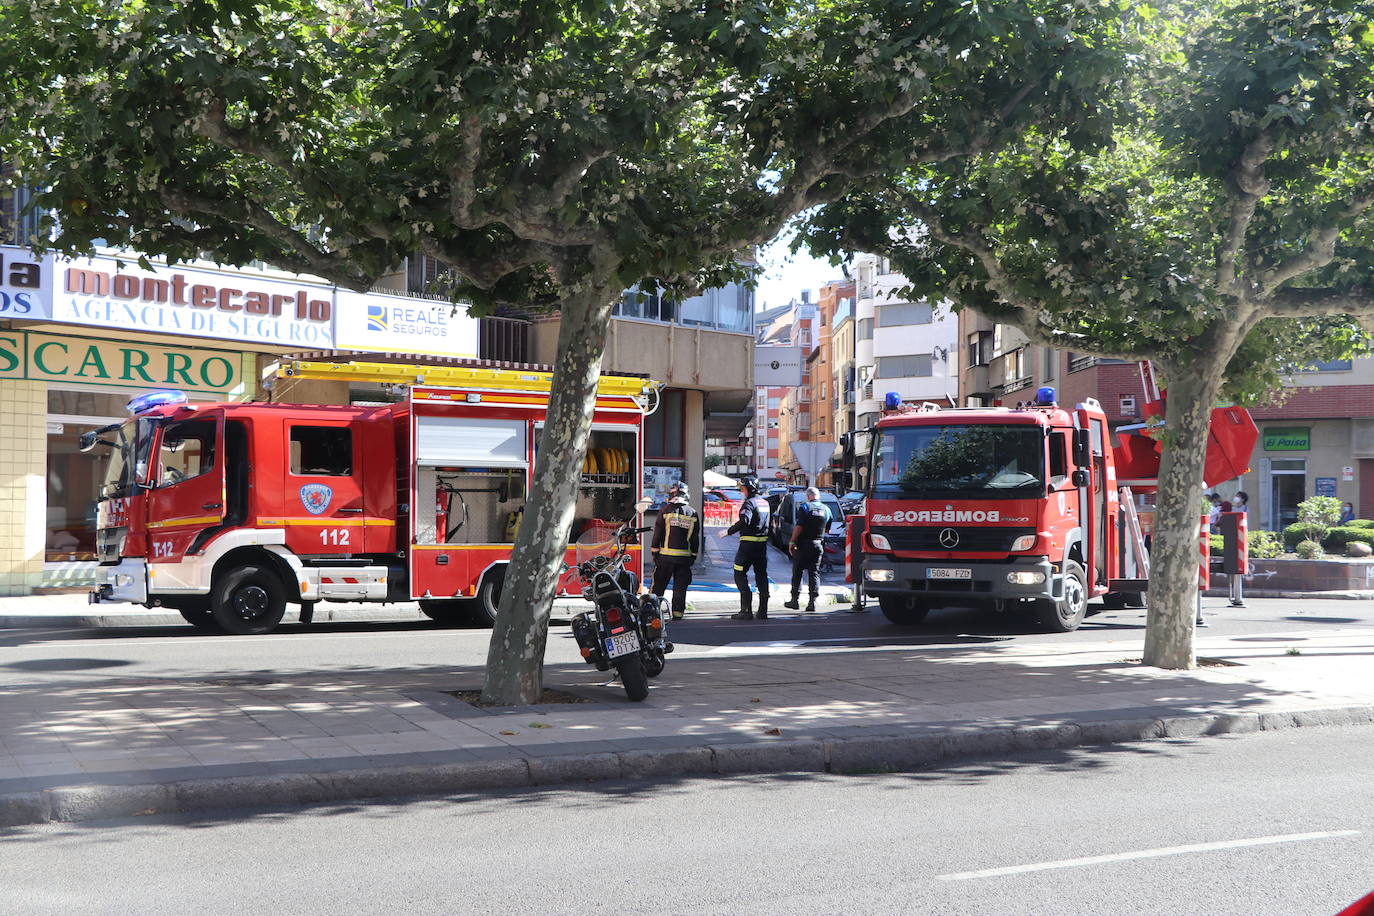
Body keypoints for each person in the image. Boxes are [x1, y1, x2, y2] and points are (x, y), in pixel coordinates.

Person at [650, 482, 700, 621]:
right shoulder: (693, 513)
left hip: (665, 558)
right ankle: (678, 614)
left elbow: (658, 533)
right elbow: (695, 539)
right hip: (684, 558)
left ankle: (653, 612)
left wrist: (654, 552)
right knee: (680, 587)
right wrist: (693, 556)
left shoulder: (665, 510)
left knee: (659, 586)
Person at [726, 476, 771, 620]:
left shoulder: (749, 504)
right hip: (761, 547)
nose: (741, 490)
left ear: (749, 488)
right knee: (761, 575)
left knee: (739, 573)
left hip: (747, 547)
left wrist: (729, 531)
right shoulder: (765, 503)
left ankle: (746, 611)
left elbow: (745, 520)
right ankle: (763, 611)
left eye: (742, 488)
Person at [785, 487, 832, 613]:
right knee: (814, 572)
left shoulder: (805, 507)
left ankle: (794, 600)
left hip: (803, 544)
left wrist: (792, 541)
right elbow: (828, 530)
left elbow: (799, 526)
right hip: (818, 545)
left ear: (808, 496)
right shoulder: (826, 509)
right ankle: (812, 602)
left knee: (798, 571)